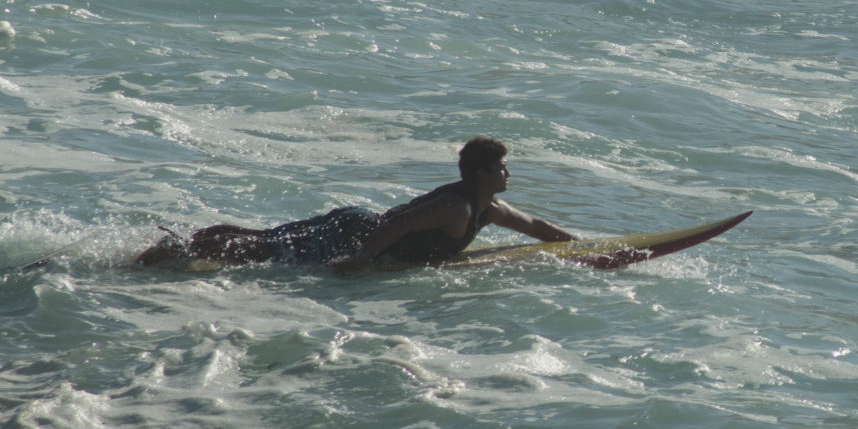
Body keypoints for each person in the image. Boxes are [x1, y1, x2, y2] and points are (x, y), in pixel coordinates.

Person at [136, 136, 574, 270]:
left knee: (264, 240)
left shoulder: (490, 209)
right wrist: (360, 259)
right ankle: (177, 252)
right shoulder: (458, 208)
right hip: (356, 231)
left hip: (359, 222)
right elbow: (400, 227)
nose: (507, 174)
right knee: (262, 249)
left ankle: (183, 245)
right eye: (501, 167)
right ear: (481, 173)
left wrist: (582, 246)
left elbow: (536, 227)